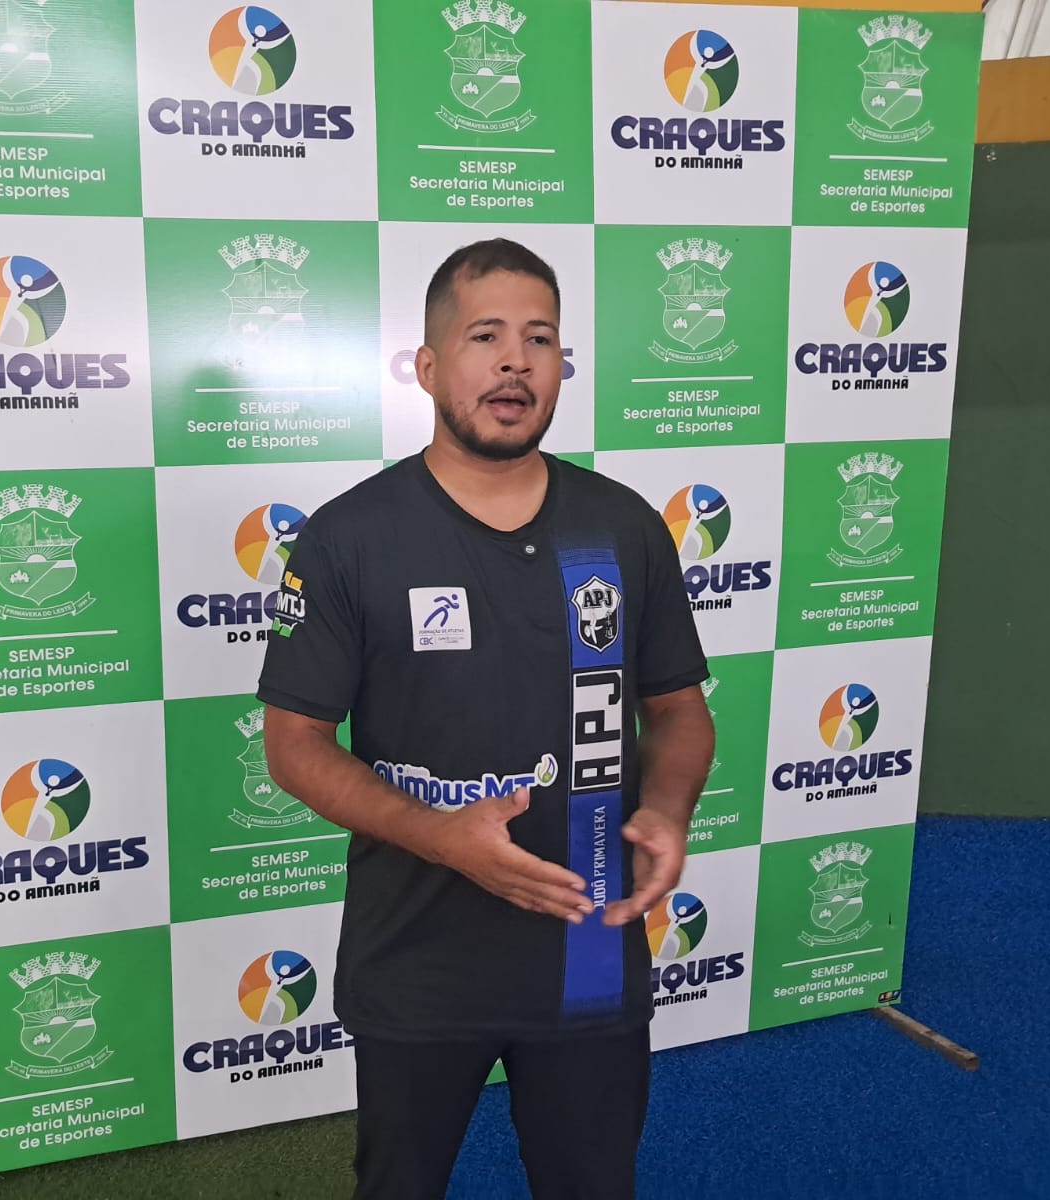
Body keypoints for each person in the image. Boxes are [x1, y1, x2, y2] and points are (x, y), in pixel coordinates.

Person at [256, 238, 714, 1200]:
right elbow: (294, 748)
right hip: (418, 960)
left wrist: (668, 810)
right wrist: (441, 837)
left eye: (540, 339)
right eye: (486, 337)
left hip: (591, 946)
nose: (516, 362)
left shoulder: (624, 526)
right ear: (428, 367)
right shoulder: (349, 537)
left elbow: (678, 711)